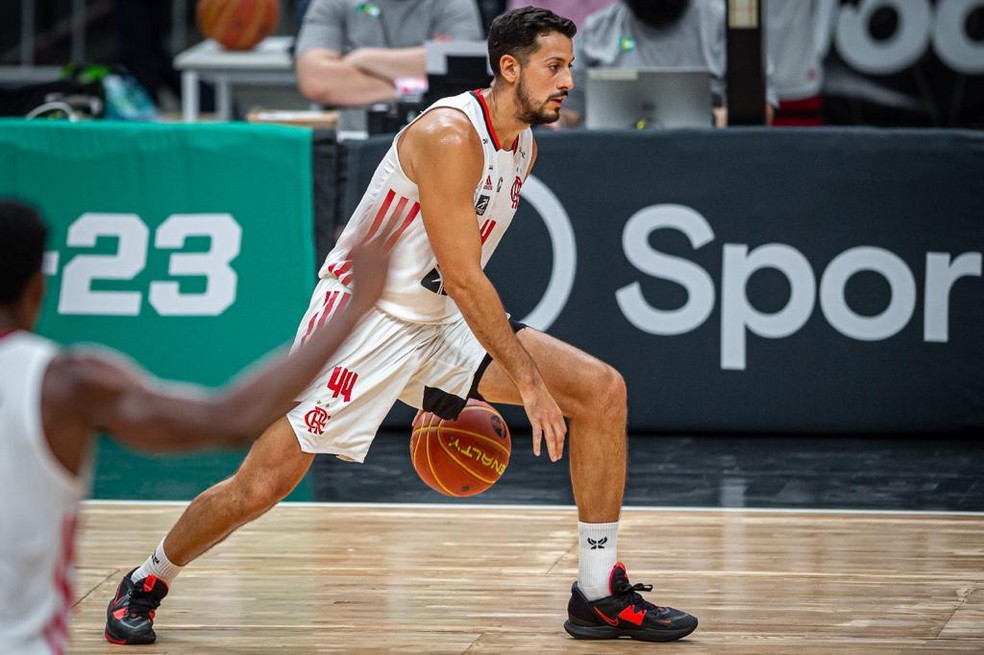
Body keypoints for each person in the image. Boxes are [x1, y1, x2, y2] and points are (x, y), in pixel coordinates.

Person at [105, 7, 698, 646]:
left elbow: (456, 284)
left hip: (438, 319)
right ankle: (146, 579)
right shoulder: (449, 135)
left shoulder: (524, 145)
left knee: (601, 391)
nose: (568, 82)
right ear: (510, 68)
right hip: (365, 321)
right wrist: (527, 384)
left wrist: (441, 379)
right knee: (262, 485)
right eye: (554, 67)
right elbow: (465, 278)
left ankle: (598, 592)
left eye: (569, 67)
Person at [0, 199, 388, 654]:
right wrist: (354, 309)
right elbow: (231, 418)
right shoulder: (67, 384)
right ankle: (146, 582)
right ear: (37, 289)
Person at [560, 0, 777, 128]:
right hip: (611, 162)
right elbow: (568, 115)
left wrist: (708, 119)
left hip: (708, 158)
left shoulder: (723, 25)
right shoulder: (597, 30)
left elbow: (760, 112)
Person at [294, 0, 485, 132]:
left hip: (434, 138)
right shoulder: (332, 3)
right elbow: (315, 81)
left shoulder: (454, 4)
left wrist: (362, 58)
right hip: (350, 141)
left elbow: (464, 69)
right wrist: (418, 86)